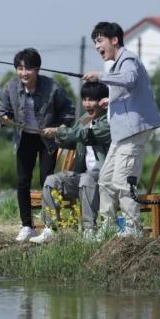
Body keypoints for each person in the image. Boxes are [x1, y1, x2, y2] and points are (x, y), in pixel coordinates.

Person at [82, 21, 160, 239]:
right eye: (95, 43)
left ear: (114, 40)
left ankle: (133, 228)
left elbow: (129, 79)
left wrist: (100, 76)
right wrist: (112, 99)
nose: (97, 47)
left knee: (123, 182)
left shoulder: (128, 59)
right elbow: (128, 90)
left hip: (133, 132)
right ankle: (108, 225)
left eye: (100, 41)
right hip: (121, 135)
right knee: (106, 180)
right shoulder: (117, 65)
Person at [0, 48, 75, 242]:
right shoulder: (10, 88)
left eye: (28, 69)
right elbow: (3, 111)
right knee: (22, 182)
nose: (24, 73)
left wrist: (58, 128)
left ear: (37, 69)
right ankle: (26, 226)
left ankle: (49, 226)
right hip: (24, 138)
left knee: (46, 181)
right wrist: (5, 119)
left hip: (47, 138)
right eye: (20, 68)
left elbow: (69, 111)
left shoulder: (53, 87)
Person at [29, 81, 111, 243]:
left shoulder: (108, 122)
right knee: (51, 180)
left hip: (106, 177)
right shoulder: (84, 120)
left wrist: (60, 131)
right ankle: (50, 229)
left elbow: (83, 135)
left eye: (92, 99)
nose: (87, 104)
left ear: (103, 102)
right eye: (85, 99)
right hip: (83, 176)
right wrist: (55, 134)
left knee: (87, 179)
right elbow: (69, 140)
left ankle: (90, 230)